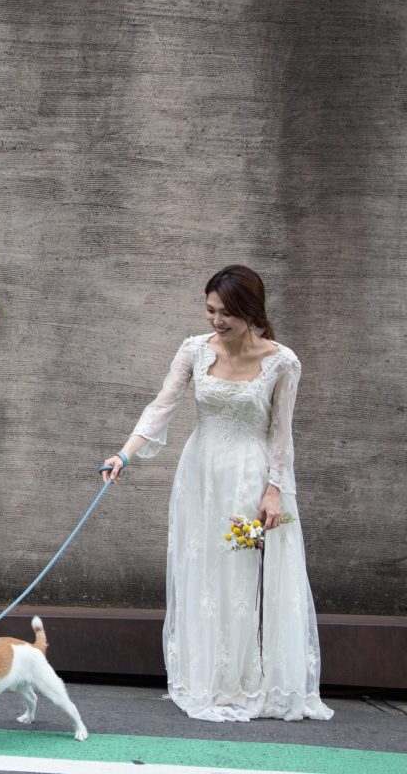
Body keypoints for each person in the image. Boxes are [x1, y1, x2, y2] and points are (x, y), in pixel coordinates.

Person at [102, 265, 333, 722]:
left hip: (249, 477)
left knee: (238, 577)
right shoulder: (193, 351)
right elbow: (161, 405)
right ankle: (203, 677)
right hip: (199, 476)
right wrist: (123, 455)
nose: (216, 320)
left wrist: (274, 492)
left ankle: (239, 681)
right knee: (199, 572)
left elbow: (280, 436)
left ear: (251, 311)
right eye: (210, 310)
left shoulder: (283, 362)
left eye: (226, 312)